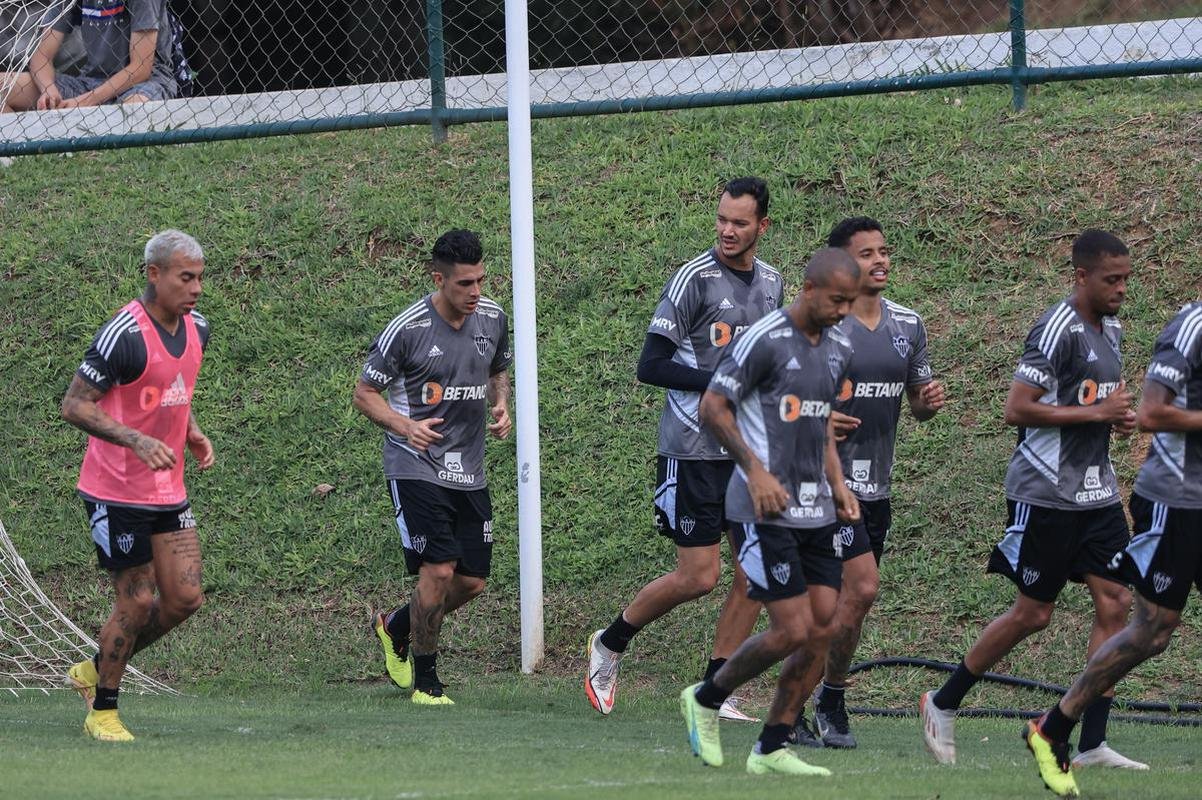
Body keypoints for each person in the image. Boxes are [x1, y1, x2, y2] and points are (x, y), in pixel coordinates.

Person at [921, 229, 1144, 769]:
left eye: (1125, 279)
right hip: (1046, 491)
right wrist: (1097, 414)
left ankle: (1090, 742)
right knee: (1033, 613)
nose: (1121, 289)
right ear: (1081, 276)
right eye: (1111, 280)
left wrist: (1118, 421)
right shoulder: (1056, 329)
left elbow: (1096, 401)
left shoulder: (1109, 328)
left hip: (1098, 494)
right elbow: (1017, 409)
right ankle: (942, 701)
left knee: (1116, 604)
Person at [586, 177, 782, 723]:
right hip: (693, 448)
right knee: (699, 576)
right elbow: (650, 364)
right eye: (722, 218)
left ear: (762, 226)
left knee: (754, 576)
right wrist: (718, 384)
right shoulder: (694, 279)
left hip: (744, 452)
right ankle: (610, 641)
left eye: (740, 222)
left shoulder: (772, 284)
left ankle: (716, 691)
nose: (727, 230)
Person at [680, 248, 861, 776]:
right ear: (808, 289)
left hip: (816, 510)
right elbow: (713, 407)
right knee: (791, 629)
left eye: (850, 303)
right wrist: (755, 470)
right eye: (836, 300)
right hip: (761, 509)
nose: (844, 311)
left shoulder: (838, 346)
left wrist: (838, 484)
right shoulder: (764, 339)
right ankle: (707, 697)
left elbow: (821, 422)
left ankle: (772, 744)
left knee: (823, 627)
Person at [1022, 300, 1201, 797]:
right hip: (1177, 502)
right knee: (1151, 632)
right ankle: (1053, 727)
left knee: (1151, 630)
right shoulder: (1191, 327)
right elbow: (1151, 412)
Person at [791, 217, 945, 748]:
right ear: (839, 263)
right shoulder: (820, 328)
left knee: (849, 605)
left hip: (875, 488)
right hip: (822, 485)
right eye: (865, 254)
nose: (879, 261)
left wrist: (925, 404)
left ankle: (827, 698)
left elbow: (918, 401)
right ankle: (792, 709)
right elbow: (783, 406)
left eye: (884, 251)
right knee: (854, 591)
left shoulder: (908, 324)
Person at [60, 229, 213, 742]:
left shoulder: (199, 328)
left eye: (199, 278)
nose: (195, 288)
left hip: (168, 487)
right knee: (139, 601)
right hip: (116, 489)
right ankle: (103, 709)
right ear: (154, 274)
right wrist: (136, 441)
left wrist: (189, 431)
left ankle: (93, 667)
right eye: (184, 277)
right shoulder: (123, 334)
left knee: (185, 599)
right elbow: (74, 404)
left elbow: (173, 389)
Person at [354, 229, 512, 706]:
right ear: (438, 279)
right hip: (415, 464)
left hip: (470, 467)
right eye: (465, 284)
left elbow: (496, 370)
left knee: (472, 580)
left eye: (481, 280)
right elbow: (364, 394)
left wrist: (500, 404)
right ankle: (426, 682)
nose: (476, 292)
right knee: (439, 571)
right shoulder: (408, 329)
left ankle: (397, 627)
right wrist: (405, 427)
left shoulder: (492, 318)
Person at [1, 0, 178, 114]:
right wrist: (48, 90)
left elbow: (141, 68)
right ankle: (26, 161)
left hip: (142, 85)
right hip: (91, 82)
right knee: (3, 86)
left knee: (135, 109)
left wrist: (84, 103)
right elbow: (41, 58)